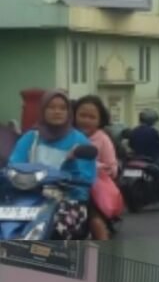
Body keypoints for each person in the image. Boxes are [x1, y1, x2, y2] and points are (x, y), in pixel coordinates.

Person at [9, 90, 96, 239]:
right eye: (51, 107)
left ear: (69, 112)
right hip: (29, 197)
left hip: (68, 200)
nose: (57, 111)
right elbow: (13, 165)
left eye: (63, 108)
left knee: (58, 230)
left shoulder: (79, 141)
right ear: (43, 110)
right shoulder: (31, 137)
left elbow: (86, 178)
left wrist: (71, 164)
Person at [73, 96, 119, 241]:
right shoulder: (68, 136)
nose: (86, 120)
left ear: (100, 120)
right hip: (65, 186)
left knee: (95, 221)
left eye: (92, 117)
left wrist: (95, 167)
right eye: (82, 115)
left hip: (90, 189)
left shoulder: (103, 139)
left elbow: (112, 168)